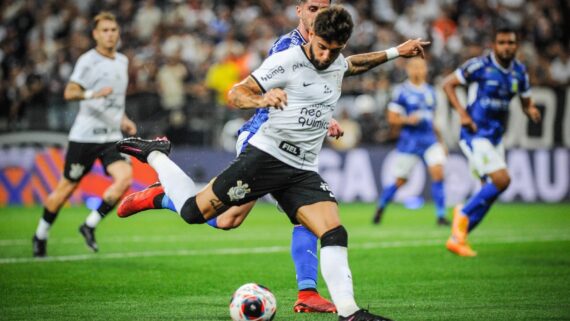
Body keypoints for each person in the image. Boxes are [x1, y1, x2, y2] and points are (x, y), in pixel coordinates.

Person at [117, 6, 428, 321]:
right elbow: (237, 93)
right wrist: (261, 99)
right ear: (312, 34)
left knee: (333, 231)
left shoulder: (335, 61)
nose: (324, 57)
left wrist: (395, 52)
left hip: (301, 169)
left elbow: (352, 65)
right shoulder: (288, 58)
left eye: (333, 51)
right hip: (265, 159)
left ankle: (349, 312)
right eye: (321, 47)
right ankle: (155, 155)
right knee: (195, 213)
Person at [121, 0, 343, 313]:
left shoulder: (327, 50)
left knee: (237, 219)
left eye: (323, 8)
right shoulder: (287, 46)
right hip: (264, 140)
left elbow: (314, 93)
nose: (317, 14)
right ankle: (166, 196)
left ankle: (307, 294)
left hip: (294, 146)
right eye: (312, 8)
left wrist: (324, 117)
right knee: (273, 214)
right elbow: (270, 90)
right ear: (299, 10)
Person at [32, 12, 136, 257]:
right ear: (95, 34)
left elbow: (115, 101)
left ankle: (89, 225)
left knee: (124, 179)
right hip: (85, 137)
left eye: (113, 29)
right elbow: (70, 92)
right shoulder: (88, 61)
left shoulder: (122, 61)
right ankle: (40, 234)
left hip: (110, 136)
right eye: (105, 30)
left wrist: (123, 119)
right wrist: (92, 94)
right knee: (64, 191)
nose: (110, 34)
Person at [442, 27, 541, 257]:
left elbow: (527, 102)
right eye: (502, 42)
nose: (507, 46)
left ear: (516, 45)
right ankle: (462, 215)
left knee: (492, 190)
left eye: (511, 42)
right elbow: (448, 84)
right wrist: (463, 114)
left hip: (496, 138)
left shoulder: (519, 73)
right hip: (475, 134)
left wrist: (532, 110)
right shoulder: (479, 66)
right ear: (494, 44)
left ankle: (458, 237)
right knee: (502, 179)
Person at [372, 58, 450, 226]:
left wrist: (442, 142)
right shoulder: (401, 91)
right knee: (400, 181)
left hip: (429, 140)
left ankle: (441, 215)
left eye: (420, 67)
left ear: (425, 69)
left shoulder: (431, 91)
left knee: (438, 174)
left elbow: (433, 120)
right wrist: (408, 120)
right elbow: (392, 118)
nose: (417, 71)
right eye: (414, 67)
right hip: (410, 142)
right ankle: (381, 206)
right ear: (408, 70)